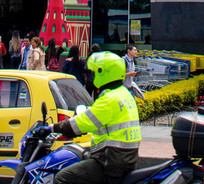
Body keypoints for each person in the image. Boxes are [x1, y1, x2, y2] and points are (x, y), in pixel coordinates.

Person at [53, 52, 141, 184]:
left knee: (63, 178)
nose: (92, 76)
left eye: (94, 73)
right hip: (127, 158)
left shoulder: (108, 99)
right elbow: (98, 117)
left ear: (103, 73)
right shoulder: (125, 94)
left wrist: (54, 127)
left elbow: (84, 122)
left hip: (111, 159)